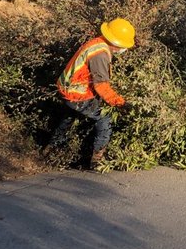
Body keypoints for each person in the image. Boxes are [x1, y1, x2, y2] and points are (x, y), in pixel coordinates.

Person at [49, 17, 135, 168]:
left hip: (67, 88)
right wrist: (120, 103)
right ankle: (97, 160)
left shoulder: (97, 43)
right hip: (77, 94)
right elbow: (101, 86)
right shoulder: (101, 54)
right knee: (104, 119)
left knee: (70, 116)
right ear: (116, 43)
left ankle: (52, 150)